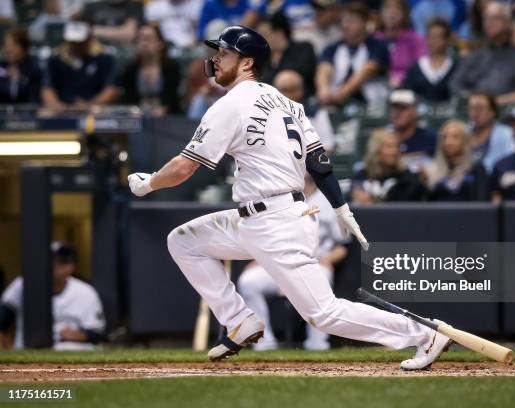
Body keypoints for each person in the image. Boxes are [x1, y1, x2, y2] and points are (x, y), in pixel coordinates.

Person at [127, 25, 450, 371]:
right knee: (184, 241)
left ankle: (421, 333)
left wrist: (148, 185)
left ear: (247, 62)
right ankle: (238, 320)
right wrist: (340, 206)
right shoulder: (288, 102)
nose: (215, 60)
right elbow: (320, 164)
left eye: (224, 53)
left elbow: (183, 169)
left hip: (276, 221)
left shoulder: (231, 104)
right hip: (258, 217)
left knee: (324, 314)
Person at [237, 174, 348, 351]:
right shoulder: (274, 199)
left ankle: (317, 344)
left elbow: (342, 247)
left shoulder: (328, 201)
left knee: (322, 279)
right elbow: (263, 238)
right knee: (248, 282)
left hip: (315, 261)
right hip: (278, 260)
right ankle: (264, 344)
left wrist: (328, 259)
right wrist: (259, 258)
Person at [0, 242, 106, 350]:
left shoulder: (85, 291)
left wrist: (78, 335)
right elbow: (3, 318)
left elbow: (98, 334)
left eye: (59, 262)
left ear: (70, 267)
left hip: (70, 351)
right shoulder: (22, 284)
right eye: (49, 261)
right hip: (28, 351)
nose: (53, 266)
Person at [451, 1, 515, 105]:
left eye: (495, 18)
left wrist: (497, 102)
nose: (489, 22)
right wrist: (476, 100)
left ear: (508, 22)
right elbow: (456, 84)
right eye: (486, 18)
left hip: (510, 111)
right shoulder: (475, 55)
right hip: (476, 111)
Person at [315, 1, 389, 109]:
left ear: (365, 23)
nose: (346, 25)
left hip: (369, 104)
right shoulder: (332, 48)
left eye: (351, 21)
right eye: (344, 21)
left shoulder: (377, 46)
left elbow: (367, 70)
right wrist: (323, 90)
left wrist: (343, 93)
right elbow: (324, 69)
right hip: (334, 103)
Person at [41, 21, 119, 110]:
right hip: (63, 108)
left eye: (80, 41)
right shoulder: (56, 60)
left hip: (95, 109)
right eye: (73, 40)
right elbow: (47, 89)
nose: (76, 44)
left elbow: (111, 90)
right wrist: (57, 106)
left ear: (89, 38)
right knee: (45, 113)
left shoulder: (104, 59)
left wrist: (89, 106)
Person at [120, 24, 181, 116]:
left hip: (167, 116)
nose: (144, 43)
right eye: (140, 39)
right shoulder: (130, 69)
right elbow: (128, 98)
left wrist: (164, 110)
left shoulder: (171, 67)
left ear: (160, 44)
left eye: (148, 39)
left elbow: (172, 97)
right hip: (137, 115)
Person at [350, 128, 424, 203]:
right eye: (389, 147)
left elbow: (403, 207)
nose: (394, 151)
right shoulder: (361, 177)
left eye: (397, 147)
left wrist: (372, 203)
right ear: (376, 150)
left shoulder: (408, 178)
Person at [423, 120, 488, 201]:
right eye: (444, 137)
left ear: (465, 141)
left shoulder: (476, 169)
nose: (448, 142)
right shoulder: (432, 171)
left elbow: (482, 201)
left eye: (455, 137)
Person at [257, 12, 317, 98]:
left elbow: (297, 75)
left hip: (303, 102)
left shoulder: (304, 49)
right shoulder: (263, 59)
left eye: (265, 35)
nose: (261, 41)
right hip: (272, 105)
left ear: (279, 33)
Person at [274, 69, 335, 150]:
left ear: (300, 91)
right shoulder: (268, 114)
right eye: (283, 90)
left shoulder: (315, 113)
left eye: (292, 90)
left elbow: (327, 147)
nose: (287, 95)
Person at [401, 18, 458, 103]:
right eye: (431, 36)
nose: (434, 41)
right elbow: (406, 94)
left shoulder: (456, 66)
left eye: (439, 37)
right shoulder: (415, 68)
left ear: (447, 40)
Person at [374, 0, 426, 88]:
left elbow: (421, 69)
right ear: (381, 13)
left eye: (397, 9)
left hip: (407, 87)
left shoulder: (415, 39)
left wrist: (401, 79)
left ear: (404, 14)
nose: (392, 12)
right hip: (378, 86)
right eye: (388, 8)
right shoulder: (376, 38)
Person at [387, 89, 437, 172]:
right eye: (394, 108)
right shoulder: (383, 138)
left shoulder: (430, 138)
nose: (397, 112)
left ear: (415, 111)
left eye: (403, 108)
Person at [467, 92, 515, 174]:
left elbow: (513, 163)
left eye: (480, 108)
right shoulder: (462, 133)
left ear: (492, 112)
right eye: (472, 108)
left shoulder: (507, 134)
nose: (475, 113)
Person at [0, 27, 42, 104]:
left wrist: (20, 79)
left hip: (27, 113)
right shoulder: (2, 67)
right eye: (5, 45)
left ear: (23, 48)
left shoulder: (33, 68)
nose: (8, 50)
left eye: (13, 45)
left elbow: (35, 96)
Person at [197, 0, 265, 42]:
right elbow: (201, 33)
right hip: (219, 45)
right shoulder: (210, 4)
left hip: (247, 42)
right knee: (217, 25)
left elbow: (260, 10)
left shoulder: (251, 2)